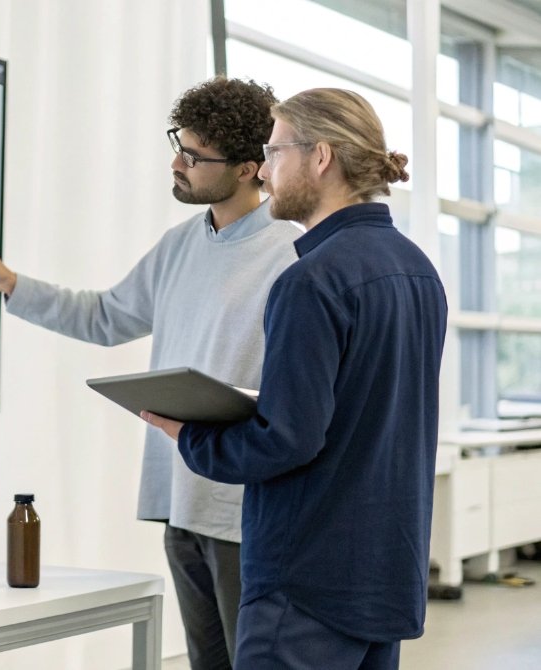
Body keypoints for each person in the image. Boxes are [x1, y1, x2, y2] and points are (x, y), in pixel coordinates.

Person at [0, 76, 302, 669]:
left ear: (247, 168)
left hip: (243, 507)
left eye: (193, 155)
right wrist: (13, 284)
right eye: (178, 144)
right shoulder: (179, 244)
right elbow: (107, 316)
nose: (177, 162)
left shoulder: (291, 255)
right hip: (179, 496)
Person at [142, 88, 448, 669]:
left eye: (276, 152)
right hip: (385, 575)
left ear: (321, 157)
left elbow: (286, 439)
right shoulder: (417, 271)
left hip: (305, 583)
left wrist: (191, 437)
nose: (268, 170)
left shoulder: (311, 281)